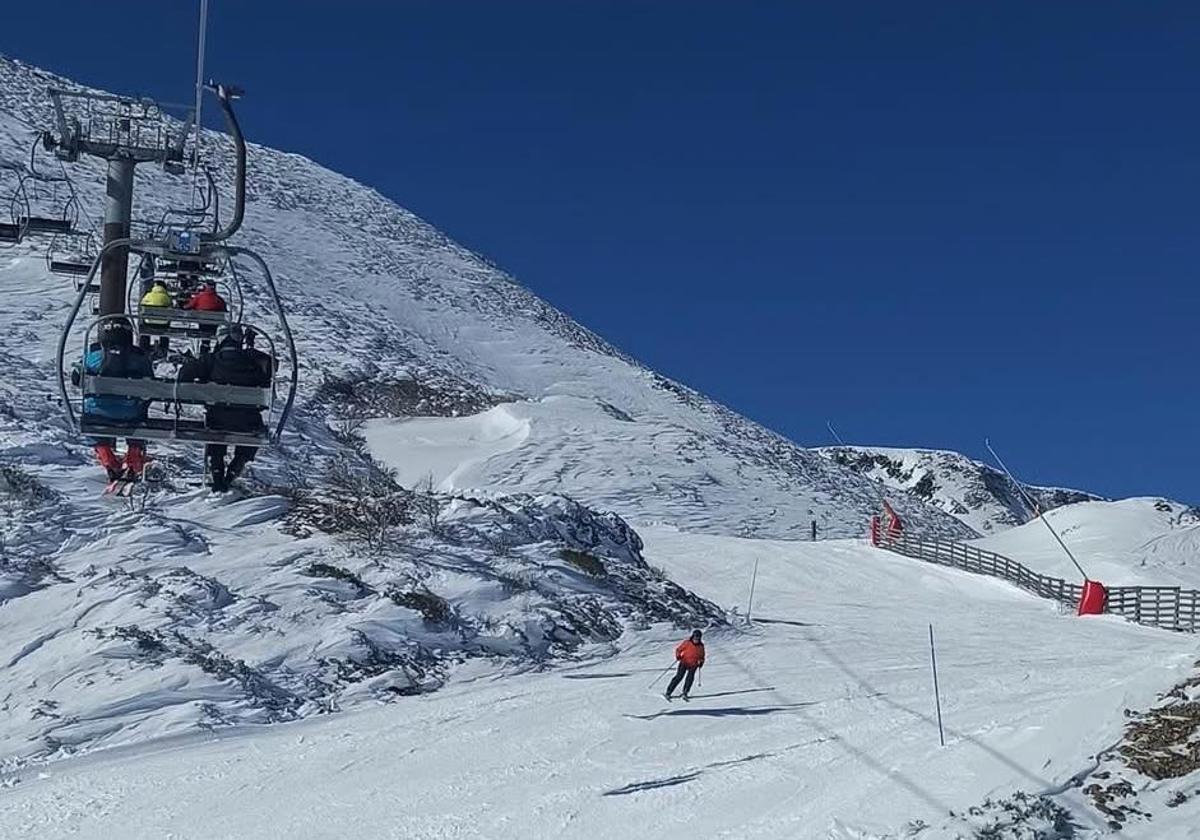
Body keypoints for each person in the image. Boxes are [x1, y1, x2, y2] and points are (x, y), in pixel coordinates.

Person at [178, 324, 273, 492]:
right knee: (253, 425)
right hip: (248, 420)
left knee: (216, 425)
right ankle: (236, 467)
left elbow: (185, 375)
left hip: (218, 418)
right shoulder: (253, 360)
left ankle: (217, 472)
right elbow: (265, 380)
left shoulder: (211, 360)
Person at [72, 318, 154, 482]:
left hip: (97, 413)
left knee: (94, 420)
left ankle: (107, 457)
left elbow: (76, 379)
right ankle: (133, 457)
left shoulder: (93, 356)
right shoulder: (139, 358)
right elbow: (150, 386)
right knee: (139, 414)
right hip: (130, 413)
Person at [665, 629, 705, 701]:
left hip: (693, 665)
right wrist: (678, 656)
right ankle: (669, 691)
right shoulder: (687, 643)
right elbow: (678, 649)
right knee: (679, 677)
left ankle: (685, 692)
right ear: (693, 636)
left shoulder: (701, 646)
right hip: (684, 662)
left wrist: (701, 662)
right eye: (695, 637)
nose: (696, 639)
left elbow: (702, 656)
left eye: (698, 638)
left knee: (690, 679)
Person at [139, 279, 174, 354]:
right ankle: (164, 349)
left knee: (144, 329)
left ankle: (143, 349)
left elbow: (142, 305)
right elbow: (171, 307)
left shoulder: (148, 295)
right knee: (166, 326)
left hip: (149, 322)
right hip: (163, 324)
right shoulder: (166, 296)